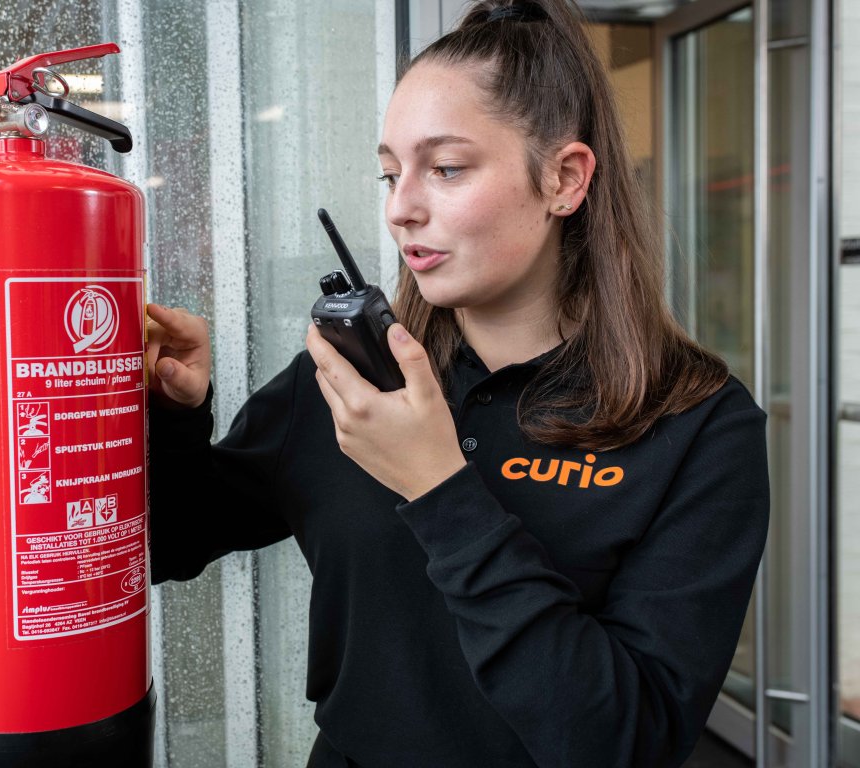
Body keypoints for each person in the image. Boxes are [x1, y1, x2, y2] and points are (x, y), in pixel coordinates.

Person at [144, 0, 769, 765]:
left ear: (565, 179)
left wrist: (439, 487)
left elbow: (622, 740)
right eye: (389, 173)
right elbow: (165, 542)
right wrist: (175, 416)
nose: (401, 208)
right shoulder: (352, 377)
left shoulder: (699, 425)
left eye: (445, 168)